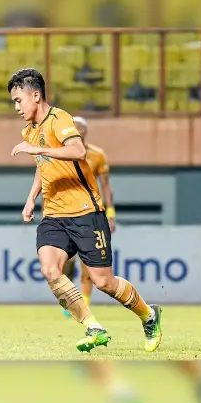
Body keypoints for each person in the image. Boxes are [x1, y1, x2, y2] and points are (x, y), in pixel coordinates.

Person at [9, 68, 162, 353]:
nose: (16, 107)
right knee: (50, 269)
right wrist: (31, 199)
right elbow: (43, 167)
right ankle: (94, 327)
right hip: (54, 215)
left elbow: (78, 151)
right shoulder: (29, 131)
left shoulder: (59, 119)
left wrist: (38, 149)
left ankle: (148, 314)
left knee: (104, 282)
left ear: (36, 95)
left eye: (19, 100)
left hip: (85, 212)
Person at [62, 116, 115, 317]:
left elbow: (106, 187)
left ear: (85, 131)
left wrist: (110, 214)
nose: (78, 131)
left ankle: (83, 304)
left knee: (88, 263)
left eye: (81, 128)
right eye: (74, 128)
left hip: (90, 213)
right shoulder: (60, 154)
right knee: (64, 261)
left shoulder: (96, 155)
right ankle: (68, 293)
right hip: (65, 212)